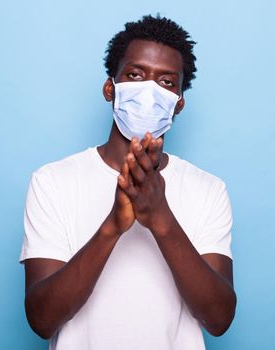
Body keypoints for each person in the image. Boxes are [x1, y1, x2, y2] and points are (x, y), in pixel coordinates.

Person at [20, 15, 236, 350]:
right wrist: (112, 227)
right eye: (135, 75)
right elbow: (42, 320)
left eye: (166, 82)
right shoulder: (53, 182)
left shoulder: (208, 190)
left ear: (178, 103)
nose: (149, 90)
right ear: (111, 88)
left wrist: (161, 219)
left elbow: (219, 319)